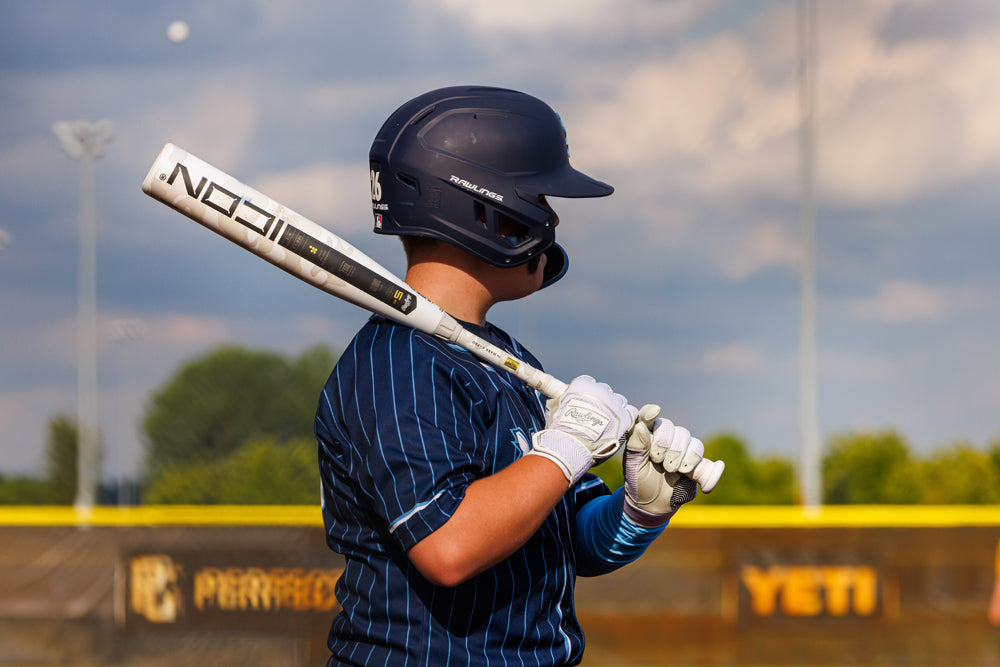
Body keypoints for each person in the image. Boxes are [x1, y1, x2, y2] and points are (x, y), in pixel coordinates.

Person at [316, 85, 713, 666]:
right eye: (541, 198)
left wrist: (639, 508)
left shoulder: (504, 358)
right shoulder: (398, 362)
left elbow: (571, 541)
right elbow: (447, 547)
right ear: (484, 207)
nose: (551, 219)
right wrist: (565, 448)